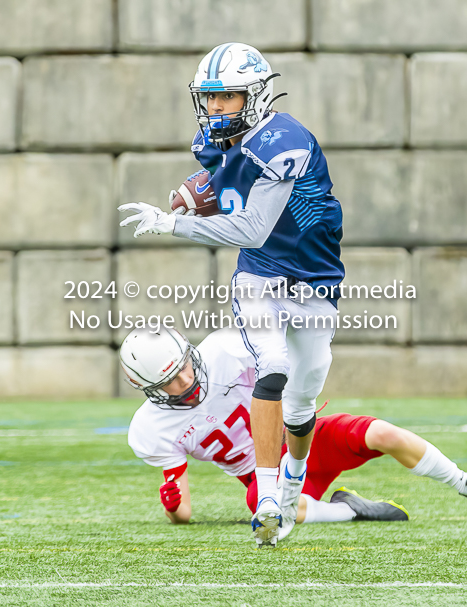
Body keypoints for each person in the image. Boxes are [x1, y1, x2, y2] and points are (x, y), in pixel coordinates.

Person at [119, 42, 345, 547]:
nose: (216, 108)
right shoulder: (214, 140)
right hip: (260, 276)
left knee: (304, 396)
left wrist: (173, 222)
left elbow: (252, 226)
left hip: (313, 278)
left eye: (229, 97)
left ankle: (290, 485)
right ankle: (267, 501)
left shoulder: (286, 139)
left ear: (257, 96)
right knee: (272, 367)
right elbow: (223, 176)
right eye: (211, 97)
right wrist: (198, 187)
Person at [120, 327, 467, 539]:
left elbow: (284, 366)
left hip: (300, 437)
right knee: (263, 503)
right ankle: (351, 510)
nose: (186, 381)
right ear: (146, 387)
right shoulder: (150, 429)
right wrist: (173, 507)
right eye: (170, 381)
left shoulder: (225, 349)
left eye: (185, 367)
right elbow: (183, 514)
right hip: (263, 475)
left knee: (381, 433)